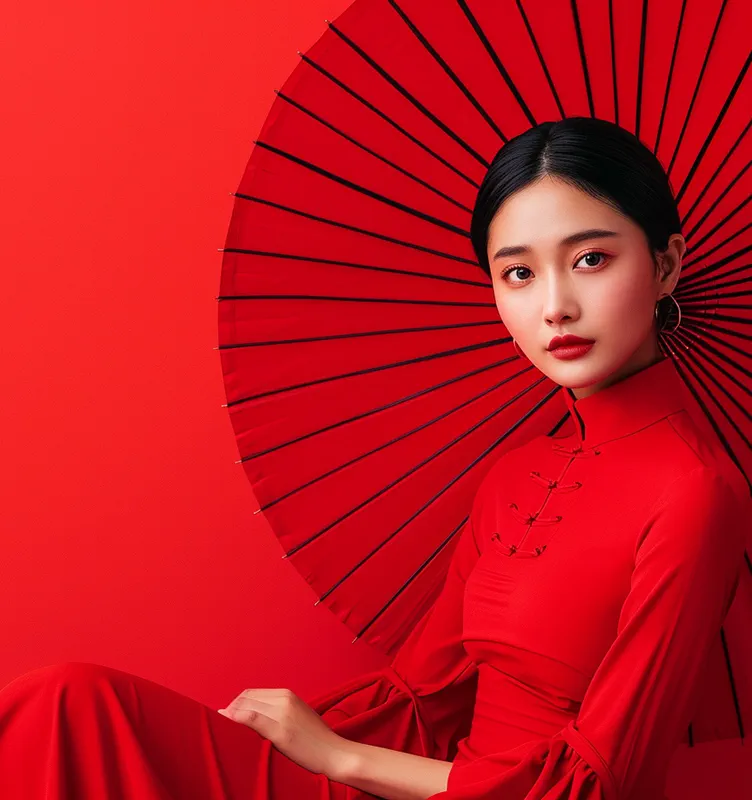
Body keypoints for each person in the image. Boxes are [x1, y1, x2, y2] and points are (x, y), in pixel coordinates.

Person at [1, 117, 748, 800]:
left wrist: (339, 757)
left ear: (668, 264)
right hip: (406, 781)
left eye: (589, 258)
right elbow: (418, 703)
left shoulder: (695, 492)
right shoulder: (514, 475)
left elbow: (594, 788)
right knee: (69, 706)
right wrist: (271, 738)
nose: (554, 305)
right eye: (518, 272)